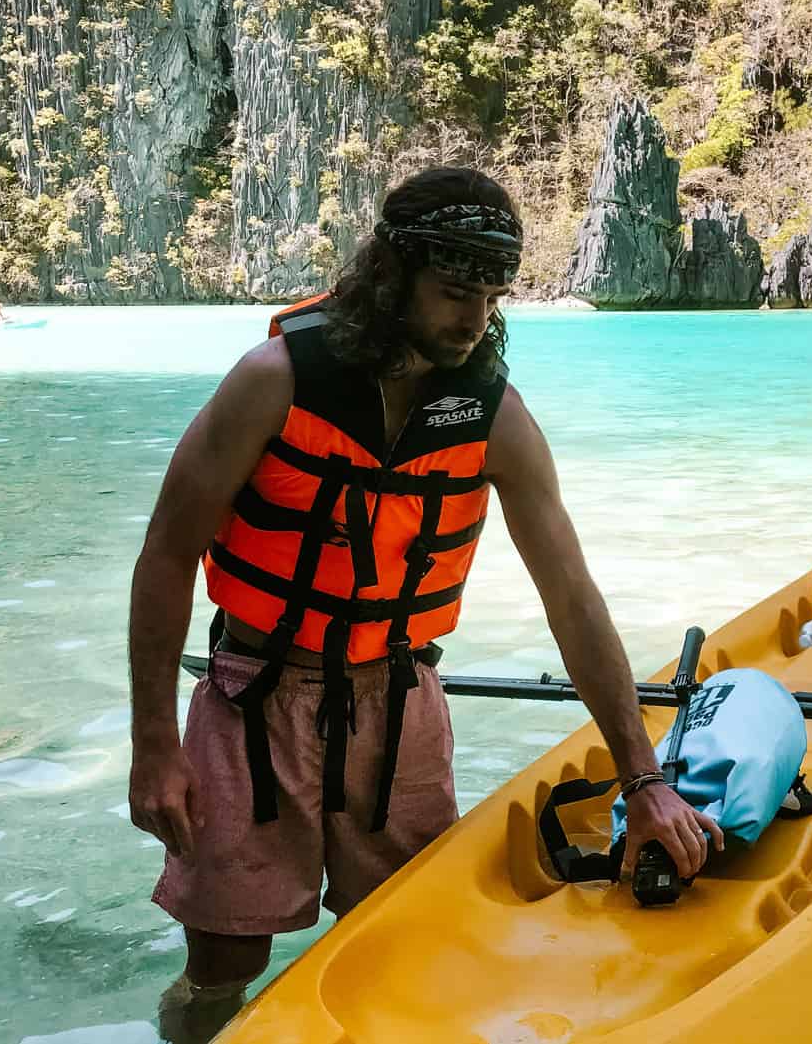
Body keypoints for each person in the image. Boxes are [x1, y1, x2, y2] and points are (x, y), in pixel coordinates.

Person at [128, 167, 723, 1042]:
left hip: (399, 706)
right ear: (392, 272)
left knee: (407, 947)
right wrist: (153, 745)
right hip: (255, 700)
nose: (475, 319)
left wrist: (644, 777)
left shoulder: (492, 415)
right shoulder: (274, 380)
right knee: (223, 967)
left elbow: (572, 596)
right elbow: (167, 553)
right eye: (453, 292)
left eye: (491, 296)